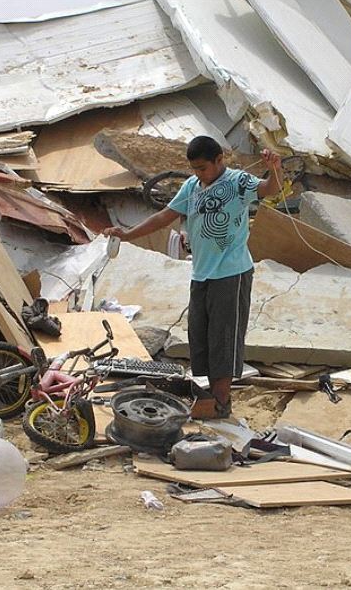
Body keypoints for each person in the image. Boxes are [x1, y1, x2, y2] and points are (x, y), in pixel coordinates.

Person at [104, 136, 282, 418]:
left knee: (224, 338)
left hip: (231, 273)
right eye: (194, 169)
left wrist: (275, 169)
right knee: (202, 335)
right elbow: (164, 216)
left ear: (219, 160)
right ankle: (211, 396)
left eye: (202, 168)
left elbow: (270, 189)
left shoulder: (238, 182)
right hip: (201, 273)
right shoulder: (192, 186)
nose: (198, 173)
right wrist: (127, 235)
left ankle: (221, 402)